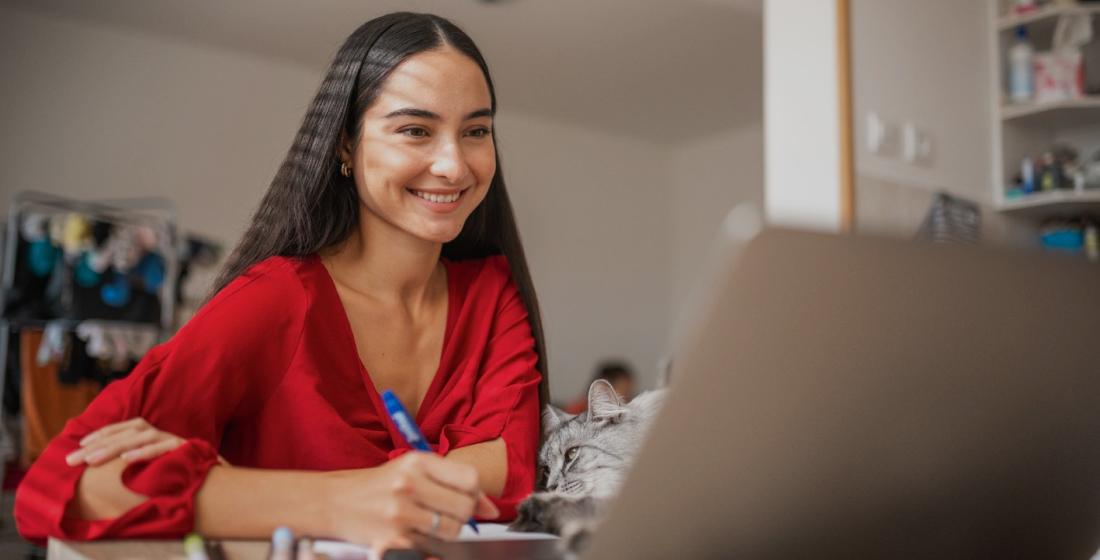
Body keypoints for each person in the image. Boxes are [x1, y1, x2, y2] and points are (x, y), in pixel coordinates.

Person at [14, 12, 549, 551]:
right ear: (345, 144)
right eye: (415, 130)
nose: (455, 165)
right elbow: (60, 485)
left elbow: (509, 469)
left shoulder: (492, 294)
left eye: (476, 131)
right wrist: (346, 501)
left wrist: (236, 485)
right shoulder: (274, 300)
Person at [562, 361, 635, 414]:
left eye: (629, 391)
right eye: (624, 389)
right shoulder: (577, 409)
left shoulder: (627, 411)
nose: (627, 396)